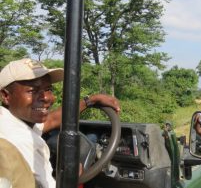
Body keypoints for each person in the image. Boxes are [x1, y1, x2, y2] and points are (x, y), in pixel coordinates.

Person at [0, 58, 120, 188]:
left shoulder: (10, 121)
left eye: (48, 89)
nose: (46, 98)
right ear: (6, 96)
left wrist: (89, 101)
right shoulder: (19, 142)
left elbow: (52, 120)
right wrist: (71, 179)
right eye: (32, 91)